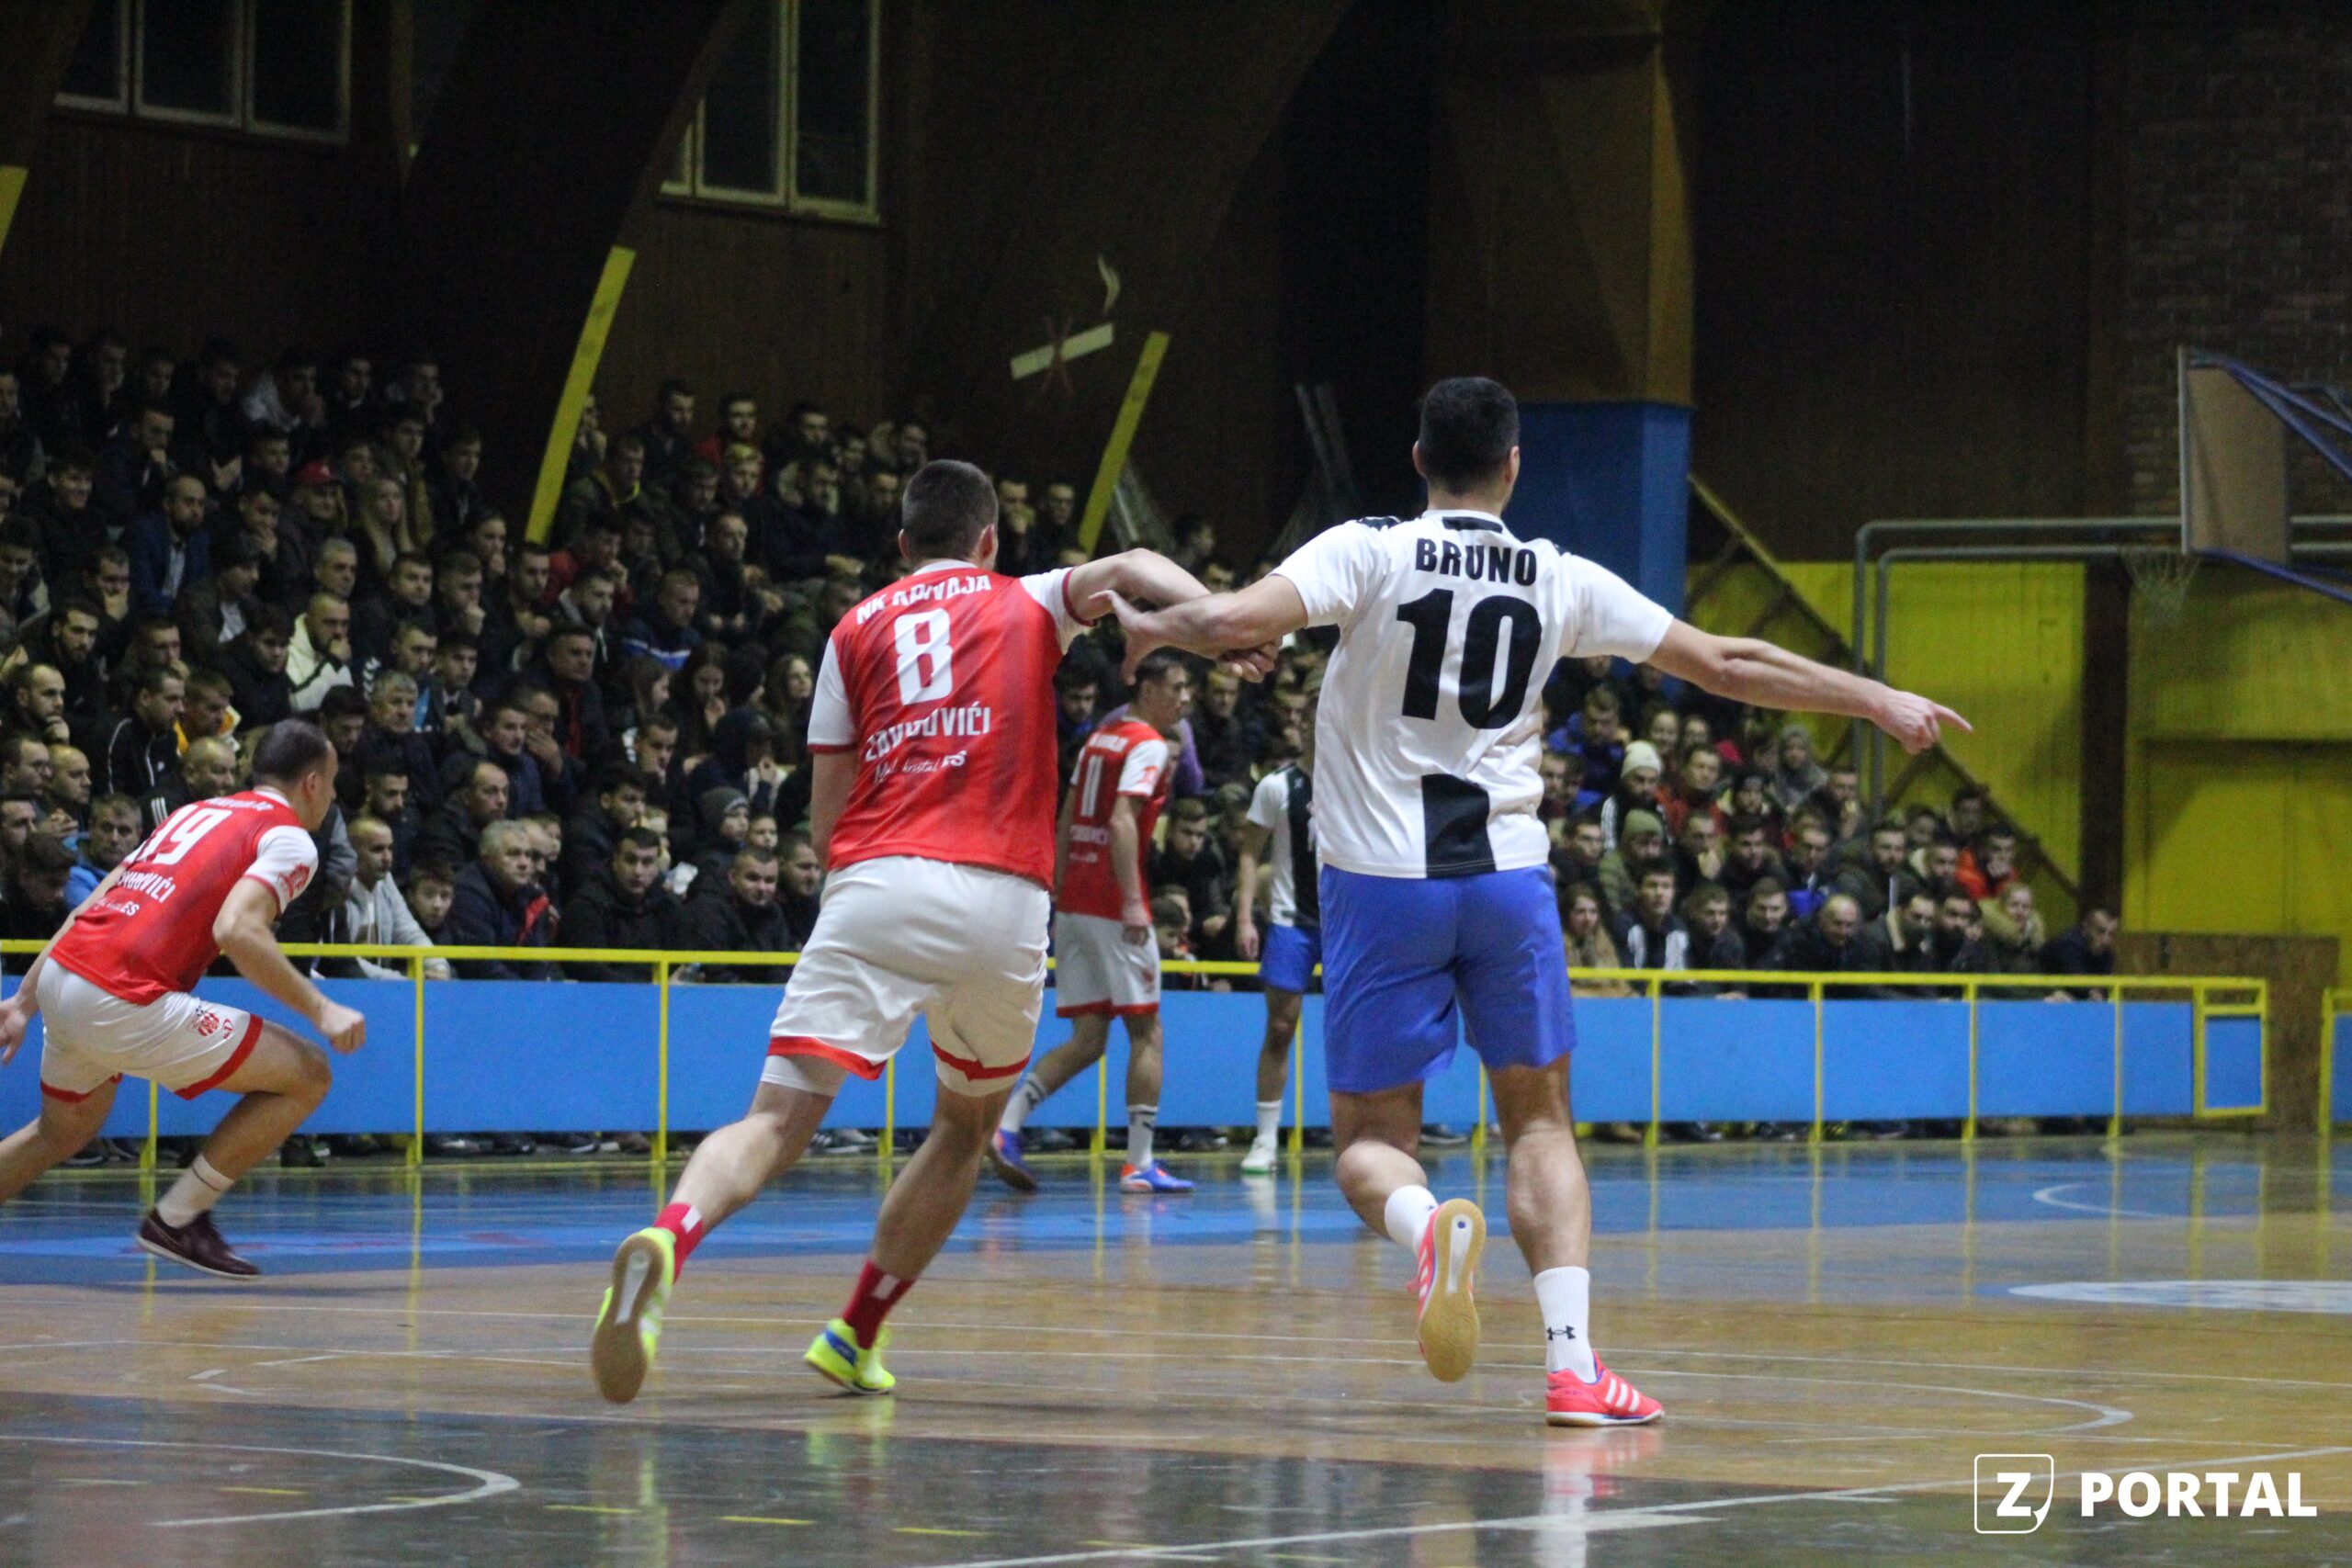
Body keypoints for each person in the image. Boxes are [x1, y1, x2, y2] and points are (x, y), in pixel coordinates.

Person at [1106, 375, 1963, 1426]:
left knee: (1371, 1143)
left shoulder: (1367, 549)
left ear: (1418, 460)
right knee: (1540, 1123)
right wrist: (1873, 697)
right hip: (1506, 883)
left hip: (1380, 887)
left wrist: (1151, 626)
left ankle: (1426, 1231)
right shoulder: (1558, 575)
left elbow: (1229, 618)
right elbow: (1724, 663)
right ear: (1513, 467)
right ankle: (1570, 1366)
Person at [588, 457, 1257, 1406]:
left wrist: (855, 898)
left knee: (772, 1121)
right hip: (1002, 896)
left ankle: (669, 1236)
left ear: (902, 545)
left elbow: (826, 814)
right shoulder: (1027, 599)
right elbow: (1134, 565)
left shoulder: (852, 629)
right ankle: (855, 1333)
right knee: (964, 1124)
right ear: (990, 540)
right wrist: (1223, 625)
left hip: (876, 878)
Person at [0, 720, 364, 1276]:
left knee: (59, 1133)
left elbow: (97, 901)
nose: (333, 797)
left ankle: (177, 1219)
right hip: (122, 995)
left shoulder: (195, 813)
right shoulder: (289, 838)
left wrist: (24, 1001)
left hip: (65, 975)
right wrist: (322, 1007)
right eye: (333, 783)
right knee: (309, 1074)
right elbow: (237, 930)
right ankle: (178, 1219)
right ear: (312, 783)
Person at [987, 653, 1195, 1194]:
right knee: (1147, 1032)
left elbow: (1068, 815)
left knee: (1088, 1038)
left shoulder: (1099, 740)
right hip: (1112, 905)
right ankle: (1139, 1163)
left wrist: (1058, 886)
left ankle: (1006, 1125)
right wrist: (1132, 902)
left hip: (1075, 902)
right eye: (1177, 687)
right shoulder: (1148, 744)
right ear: (1147, 689)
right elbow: (1122, 821)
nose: (1185, 699)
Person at [1231, 704, 1319, 1175]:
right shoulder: (1277, 786)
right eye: (1314, 719)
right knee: (1281, 1029)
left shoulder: (1360, 780)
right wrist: (1246, 917)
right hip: (1289, 919)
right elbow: (1250, 852)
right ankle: (1265, 1139)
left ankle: (1363, 1133)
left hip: (1347, 923)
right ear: (1302, 725)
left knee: (1357, 1031)